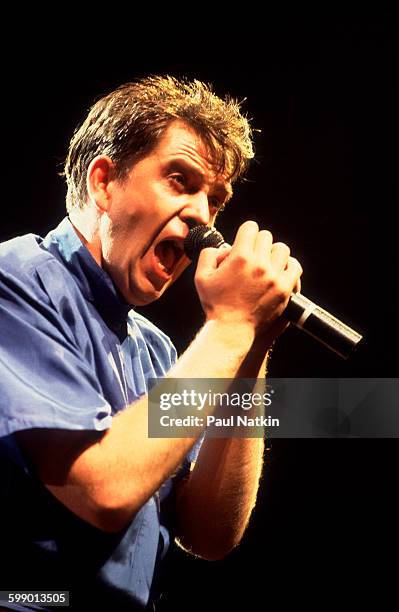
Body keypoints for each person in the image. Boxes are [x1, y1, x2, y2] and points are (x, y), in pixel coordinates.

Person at [0, 76, 302, 611]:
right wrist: (232, 323)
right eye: (181, 181)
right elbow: (102, 490)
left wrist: (252, 345)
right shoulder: (14, 281)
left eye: (215, 200)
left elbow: (208, 534)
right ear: (104, 182)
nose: (202, 219)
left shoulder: (159, 351)